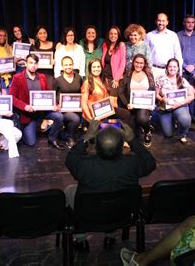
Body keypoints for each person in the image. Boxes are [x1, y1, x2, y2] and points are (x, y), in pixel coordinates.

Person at [65, 119, 156, 249]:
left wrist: (86, 137)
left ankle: (80, 239)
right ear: (121, 148)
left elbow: (71, 159)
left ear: (96, 147)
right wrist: (132, 140)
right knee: (115, 194)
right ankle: (110, 235)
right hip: (122, 213)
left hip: (89, 214)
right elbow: (150, 162)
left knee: (69, 190)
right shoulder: (132, 164)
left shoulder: (84, 166)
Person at [9, 53, 65, 149]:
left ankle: (52, 137)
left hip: (42, 112)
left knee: (59, 116)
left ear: (38, 65)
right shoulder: (17, 78)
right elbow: (11, 98)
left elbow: (47, 94)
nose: (33, 65)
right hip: (28, 115)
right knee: (31, 142)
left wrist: (54, 105)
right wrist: (24, 106)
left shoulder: (42, 77)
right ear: (26, 64)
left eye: (35, 63)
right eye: (30, 63)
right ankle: (26, 130)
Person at [80, 58, 132, 126]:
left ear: (101, 68)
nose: (96, 69)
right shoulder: (87, 83)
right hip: (94, 113)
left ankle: (119, 133)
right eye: (94, 67)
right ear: (90, 69)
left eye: (98, 67)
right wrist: (91, 119)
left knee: (126, 114)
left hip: (106, 110)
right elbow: (83, 104)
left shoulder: (105, 80)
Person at [118, 54, 156, 147]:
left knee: (141, 119)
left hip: (144, 107)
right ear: (133, 62)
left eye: (141, 63)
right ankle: (140, 127)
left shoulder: (149, 75)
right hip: (131, 106)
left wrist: (151, 104)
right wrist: (127, 104)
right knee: (131, 135)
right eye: (137, 62)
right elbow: (121, 92)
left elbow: (153, 91)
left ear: (144, 64)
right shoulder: (127, 75)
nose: (138, 65)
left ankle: (147, 131)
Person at [155, 58, 195, 143]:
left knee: (185, 120)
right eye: (170, 66)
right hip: (165, 109)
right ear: (167, 68)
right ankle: (172, 121)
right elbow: (156, 94)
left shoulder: (182, 80)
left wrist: (180, 103)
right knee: (168, 134)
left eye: (174, 67)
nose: (172, 68)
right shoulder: (161, 80)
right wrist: (162, 99)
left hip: (179, 106)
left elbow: (192, 96)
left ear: (178, 68)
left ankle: (182, 133)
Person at [53, 56, 83, 148]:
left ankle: (64, 134)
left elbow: (81, 92)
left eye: (70, 64)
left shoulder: (78, 78)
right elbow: (53, 95)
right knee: (75, 119)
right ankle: (69, 138)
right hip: (63, 109)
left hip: (76, 108)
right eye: (66, 65)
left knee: (77, 119)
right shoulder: (58, 80)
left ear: (73, 65)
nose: (68, 67)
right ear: (62, 66)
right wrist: (56, 106)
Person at [145, 13, 183, 82]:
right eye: (159, 20)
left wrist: (179, 73)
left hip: (169, 71)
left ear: (167, 22)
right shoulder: (149, 36)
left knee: (168, 92)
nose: (161, 23)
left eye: (163, 21)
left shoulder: (173, 35)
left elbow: (178, 55)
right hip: (154, 70)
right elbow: (145, 54)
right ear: (156, 21)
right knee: (154, 91)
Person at [177, 14, 195, 85]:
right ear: (184, 23)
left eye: (193, 22)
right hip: (182, 70)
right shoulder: (178, 35)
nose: (191, 24)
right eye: (188, 22)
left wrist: (194, 65)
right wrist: (185, 66)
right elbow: (175, 53)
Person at [102, 25, 126, 99]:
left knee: (113, 102)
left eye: (115, 34)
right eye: (111, 33)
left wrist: (116, 79)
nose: (113, 35)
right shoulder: (105, 45)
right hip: (105, 78)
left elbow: (123, 63)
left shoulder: (121, 45)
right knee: (104, 101)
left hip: (114, 79)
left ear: (118, 35)